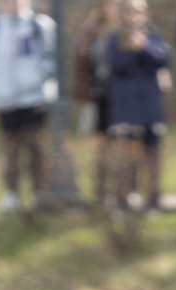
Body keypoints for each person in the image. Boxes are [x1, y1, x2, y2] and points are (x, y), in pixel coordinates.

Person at [0, 0, 57, 213]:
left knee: (36, 148)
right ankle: (11, 192)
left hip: (34, 99)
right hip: (5, 101)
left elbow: (53, 58)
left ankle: (39, 192)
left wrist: (38, 77)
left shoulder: (40, 26)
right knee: (10, 149)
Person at [104, 0, 172, 214]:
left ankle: (152, 201)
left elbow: (163, 59)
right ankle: (123, 200)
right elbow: (114, 65)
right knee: (125, 155)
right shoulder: (115, 38)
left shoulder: (152, 36)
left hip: (149, 104)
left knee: (151, 155)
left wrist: (144, 47)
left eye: (137, 11)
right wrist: (132, 50)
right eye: (129, 11)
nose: (133, 15)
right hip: (125, 105)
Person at [71, 0, 118, 206]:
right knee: (100, 145)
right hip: (97, 96)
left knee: (123, 144)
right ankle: (100, 192)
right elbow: (81, 61)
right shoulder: (91, 30)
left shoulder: (130, 26)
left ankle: (123, 191)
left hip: (122, 96)